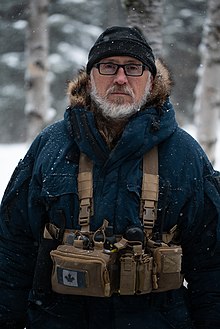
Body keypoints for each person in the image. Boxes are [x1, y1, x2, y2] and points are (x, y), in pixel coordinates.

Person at [0, 26, 220, 329]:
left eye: (133, 68)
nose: (120, 78)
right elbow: (12, 248)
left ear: (151, 80)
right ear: (90, 78)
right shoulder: (49, 145)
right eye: (108, 66)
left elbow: (211, 265)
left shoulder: (185, 154)